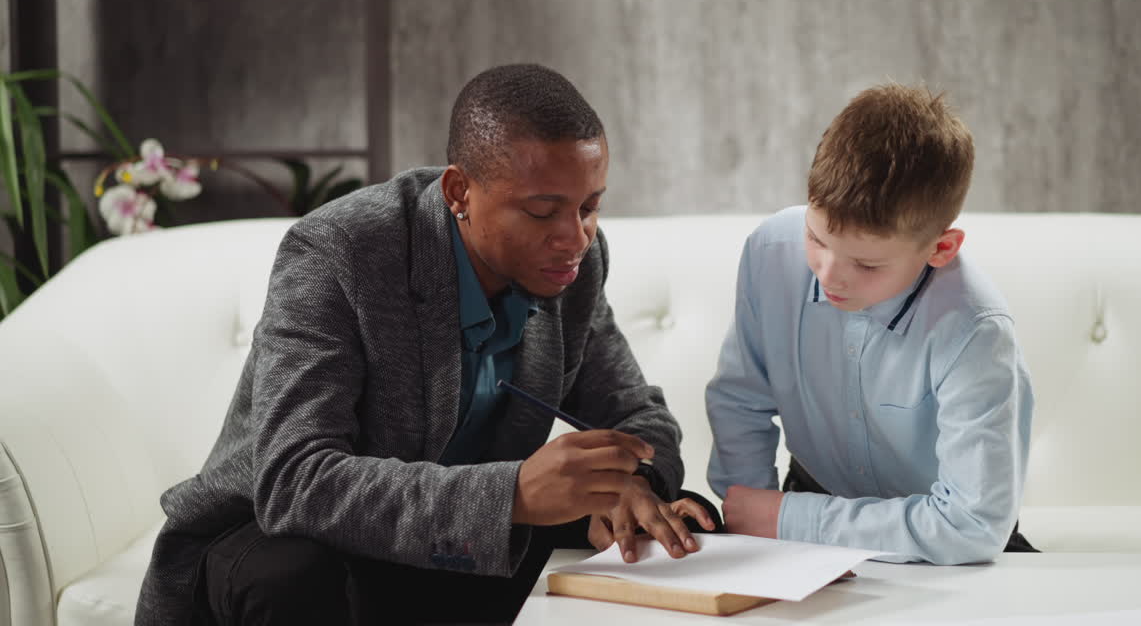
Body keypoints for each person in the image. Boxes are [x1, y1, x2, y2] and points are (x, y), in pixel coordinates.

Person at [136, 63, 716, 626]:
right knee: (290, 574)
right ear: (460, 191)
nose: (575, 237)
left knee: (686, 520)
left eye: (590, 207)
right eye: (543, 212)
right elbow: (295, 480)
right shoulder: (338, 253)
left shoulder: (576, 263)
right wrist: (510, 494)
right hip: (275, 537)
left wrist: (629, 484)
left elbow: (637, 417)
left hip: (441, 534)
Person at [705, 83, 1036, 565]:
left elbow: (972, 525)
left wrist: (788, 520)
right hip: (800, 514)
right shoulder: (768, 252)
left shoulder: (975, 329)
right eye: (816, 239)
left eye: (867, 264)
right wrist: (755, 528)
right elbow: (739, 398)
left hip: (944, 546)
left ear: (941, 249)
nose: (829, 275)